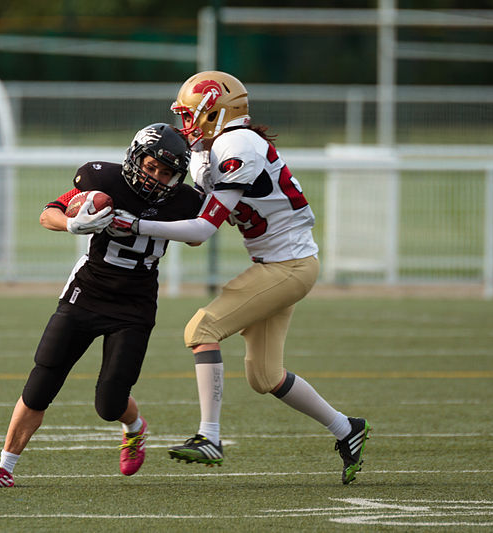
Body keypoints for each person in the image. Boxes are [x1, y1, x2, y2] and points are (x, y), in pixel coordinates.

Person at [110, 71, 371, 485]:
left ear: (217, 112)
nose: (187, 126)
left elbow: (202, 230)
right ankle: (347, 428)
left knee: (202, 328)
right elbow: (196, 218)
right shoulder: (215, 149)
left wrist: (136, 225)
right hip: (281, 264)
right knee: (264, 376)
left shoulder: (238, 145)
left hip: (287, 266)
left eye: (192, 116)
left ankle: (209, 436)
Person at [0, 123, 203, 487]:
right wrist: (71, 225)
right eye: (151, 166)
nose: (156, 176)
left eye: (166, 171)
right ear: (134, 158)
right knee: (43, 378)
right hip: (87, 291)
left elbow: (197, 240)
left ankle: (135, 427)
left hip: (135, 305)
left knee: (109, 403)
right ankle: (4, 469)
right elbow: (49, 212)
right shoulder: (102, 179)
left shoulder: (184, 200)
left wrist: (147, 224)